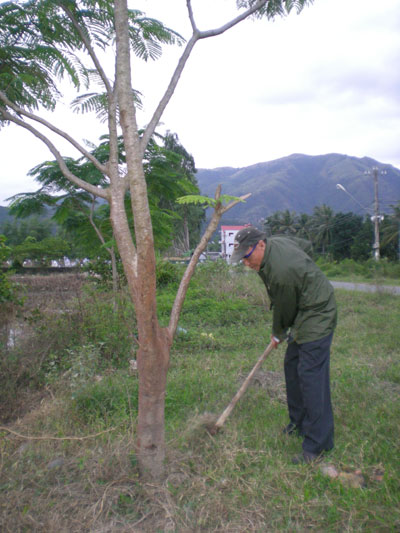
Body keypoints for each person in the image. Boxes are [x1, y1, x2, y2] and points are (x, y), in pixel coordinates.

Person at [230, 226, 337, 464]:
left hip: (318, 311)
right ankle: (298, 423)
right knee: (292, 366)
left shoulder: (282, 272)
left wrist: (277, 334)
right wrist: (306, 274)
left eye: (247, 257)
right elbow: (306, 246)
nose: (245, 263)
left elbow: (284, 309)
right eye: (241, 259)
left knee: (311, 377)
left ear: (260, 245)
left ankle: (318, 445)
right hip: (303, 308)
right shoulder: (274, 244)